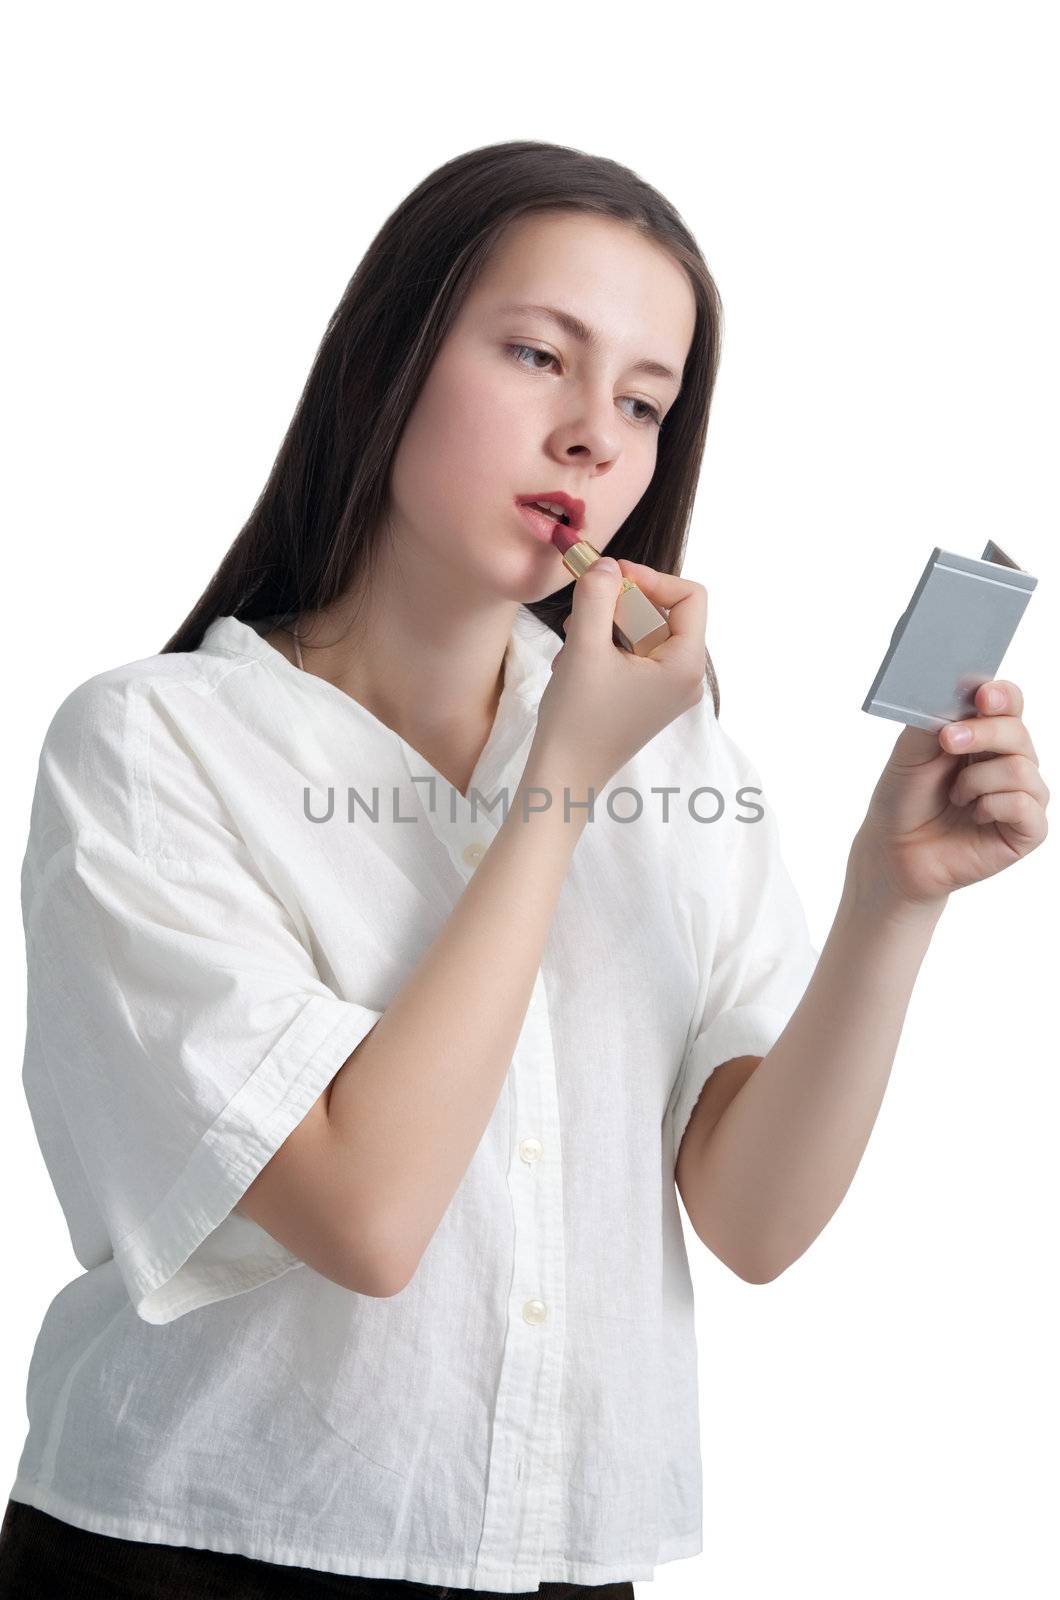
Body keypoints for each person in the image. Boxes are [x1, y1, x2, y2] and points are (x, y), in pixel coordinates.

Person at [1, 141, 1048, 1599]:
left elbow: (752, 1223)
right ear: (390, 359)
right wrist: (562, 780)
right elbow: (367, 1216)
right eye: (537, 357)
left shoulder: (672, 759)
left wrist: (894, 896)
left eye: (642, 401)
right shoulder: (151, 746)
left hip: (568, 1563)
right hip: (200, 1547)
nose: (594, 439)